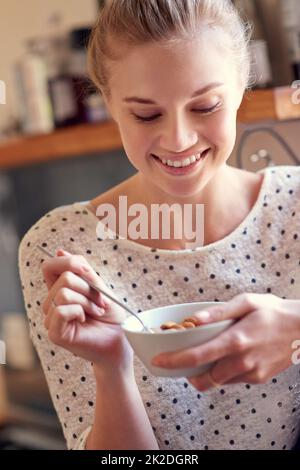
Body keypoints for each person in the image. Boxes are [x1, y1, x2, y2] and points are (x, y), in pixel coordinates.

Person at [18, 0, 300, 450]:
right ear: (109, 103)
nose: (179, 140)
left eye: (205, 106)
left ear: (243, 86)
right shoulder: (60, 246)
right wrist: (111, 368)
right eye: (147, 115)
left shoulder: (293, 209)